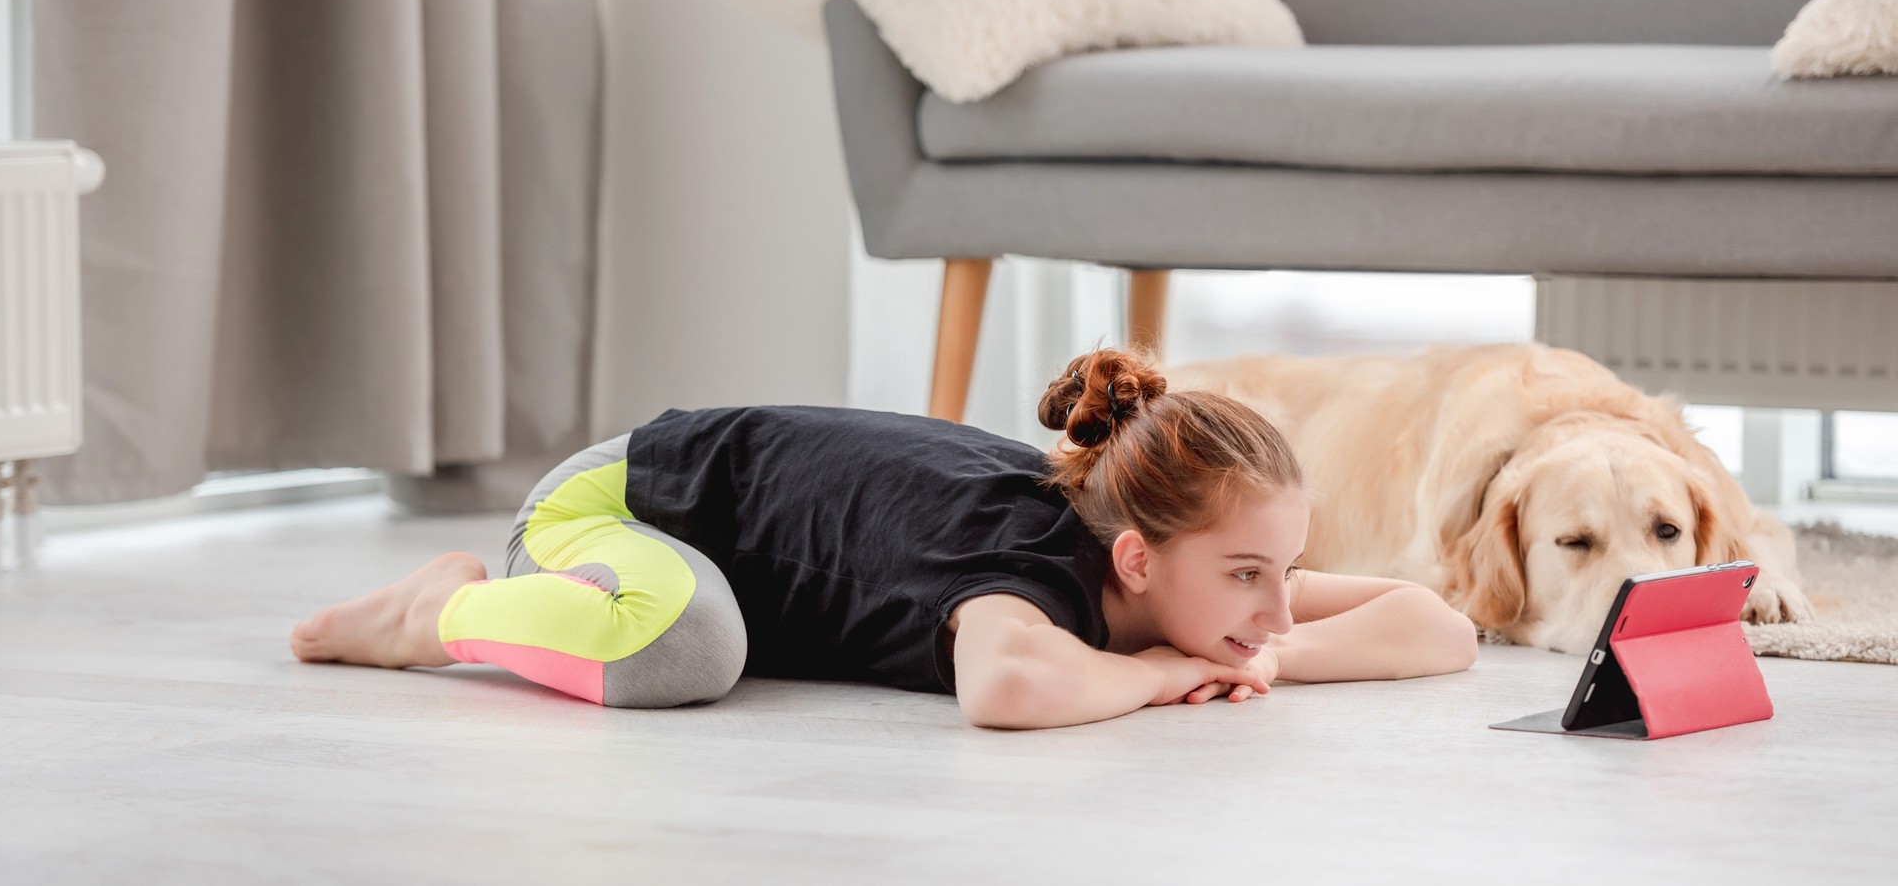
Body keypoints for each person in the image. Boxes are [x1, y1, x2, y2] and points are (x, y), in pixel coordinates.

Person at [290, 347, 1478, 729]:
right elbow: (1004, 687)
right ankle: (436, 610)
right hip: (613, 510)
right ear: (1136, 563)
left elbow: (1439, 626)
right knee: (689, 651)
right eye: (1248, 580)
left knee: (710, 639)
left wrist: (1257, 656)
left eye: (1282, 574)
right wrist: (1169, 669)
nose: (1277, 602)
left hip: (675, 505)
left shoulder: (1187, 568)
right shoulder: (1021, 558)